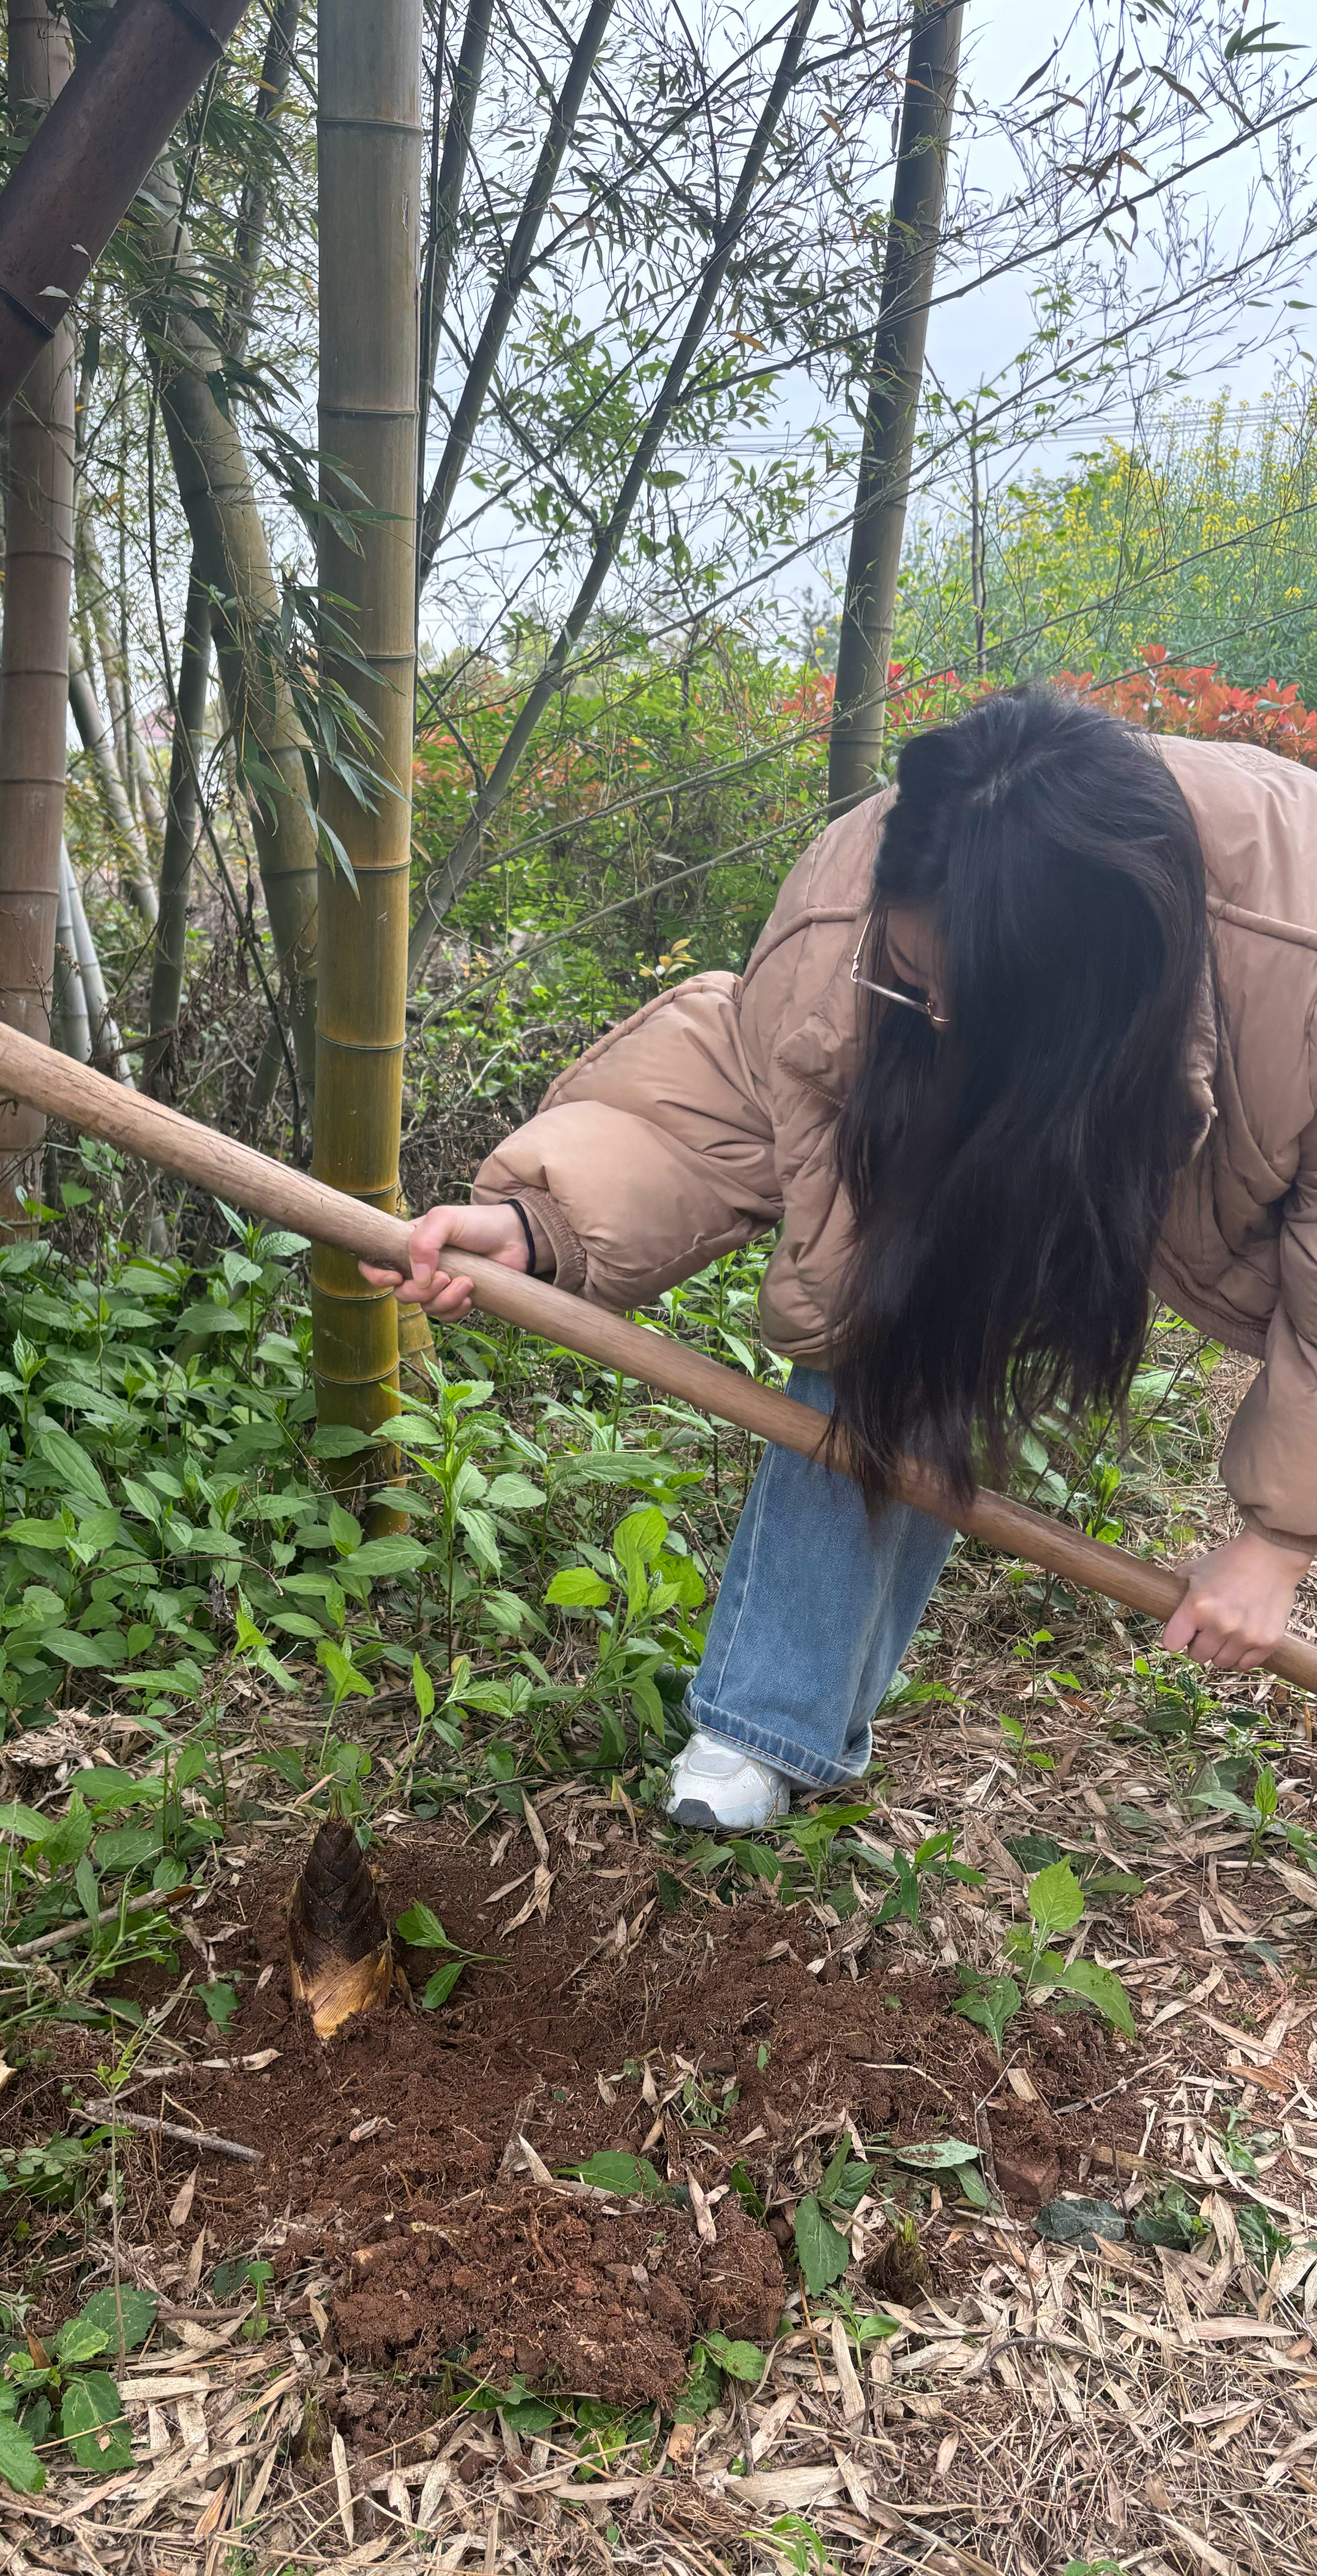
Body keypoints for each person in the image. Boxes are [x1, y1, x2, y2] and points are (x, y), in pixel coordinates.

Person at [365, 689, 1316, 1831]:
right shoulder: (859, 901)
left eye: (960, 1001)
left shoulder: (1290, 951)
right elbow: (740, 1085)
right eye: (912, 983)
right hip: (1045, 1087)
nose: (929, 1014)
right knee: (878, 1312)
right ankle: (769, 1721)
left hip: (1224, 1119)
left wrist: (1276, 1539)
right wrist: (537, 1227)